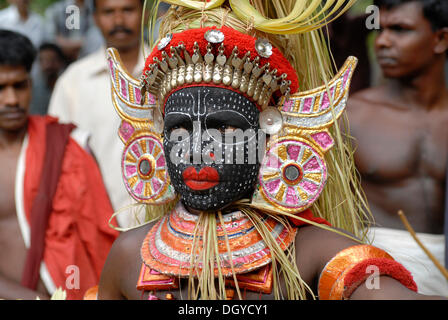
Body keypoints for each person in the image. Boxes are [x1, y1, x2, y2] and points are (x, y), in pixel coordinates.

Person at [96, 0, 445, 300]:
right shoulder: (128, 255)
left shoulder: (311, 251)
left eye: (224, 127)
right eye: (179, 129)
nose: (196, 149)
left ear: (268, 138)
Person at [0, 29, 118, 300]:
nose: (11, 100)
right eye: (1, 89)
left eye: (19, 86)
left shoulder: (66, 144)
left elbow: (101, 233)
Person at [347, 0, 448, 296]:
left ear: (441, 39)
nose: (382, 42)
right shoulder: (352, 115)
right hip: (377, 277)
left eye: (400, 30)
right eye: (379, 30)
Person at [48, 0, 148, 229]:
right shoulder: (73, 81)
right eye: (109, 12)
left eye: (128, 10)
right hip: (94, 228)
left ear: (143, 13)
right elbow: (58, 159)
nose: (119, 21)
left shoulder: (168, 70)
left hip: (165, 228)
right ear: (95, 18)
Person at [30, 43, 67, 116]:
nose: (48, 65)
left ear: (61, 62)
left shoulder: (70, 86)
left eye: (53, 60)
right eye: (44, 60)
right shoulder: (33, 89)